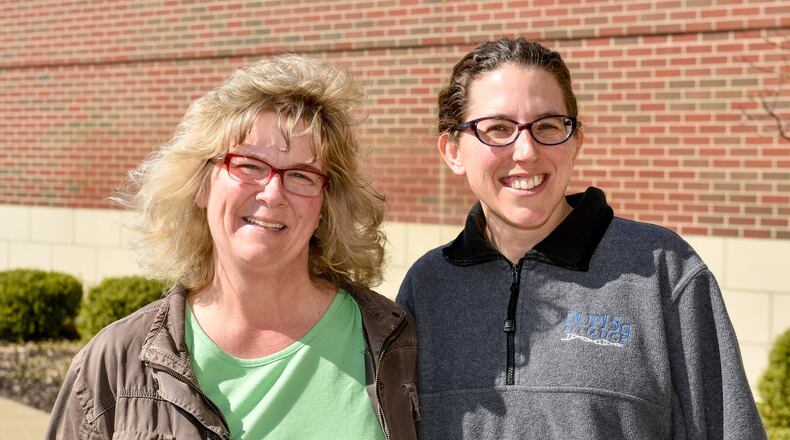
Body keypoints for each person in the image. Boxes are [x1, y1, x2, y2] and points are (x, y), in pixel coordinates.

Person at [396, 37, 766, 439]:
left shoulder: (662, 271)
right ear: (452, 150)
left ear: (576, 142)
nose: (526, 151)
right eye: (498, 128)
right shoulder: (426, 288)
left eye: (548, 126)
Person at [47, 54, 419, 440]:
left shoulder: (393, 343)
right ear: (202, 185)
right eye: (249, 165)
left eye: (301, 175)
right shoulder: (113, 366)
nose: (273, 193)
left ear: (326, 204)